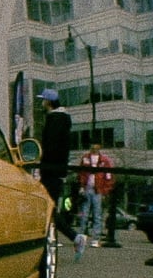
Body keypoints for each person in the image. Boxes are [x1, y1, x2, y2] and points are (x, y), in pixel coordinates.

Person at [36, 88, 83, 253]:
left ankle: (74, 237)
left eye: (43, 100)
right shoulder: (62, 119)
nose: (41, 103)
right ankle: (64, 239)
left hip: (51, 171)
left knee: (47, 208)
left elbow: (51, 147)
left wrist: (42, 165)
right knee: (49, 208)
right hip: (57, 171)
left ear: (48, 102)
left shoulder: (54, 119)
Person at [77, 141, 115, 248]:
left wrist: (105, 191)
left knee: (97, 215)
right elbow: (81, 173)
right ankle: (82, 238)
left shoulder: (104, 160)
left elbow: (108, 177)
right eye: (92, 147)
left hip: (98, 191)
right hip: (87, 189)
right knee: (84, 215)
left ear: (99, 147)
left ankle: (95, 239)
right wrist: (81, 186)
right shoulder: (85, 158)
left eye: (96, 147)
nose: (94, 148)